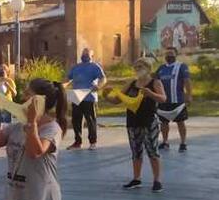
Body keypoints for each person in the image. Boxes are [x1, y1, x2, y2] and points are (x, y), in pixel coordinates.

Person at [103, 58, 167, 192]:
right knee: (136, 150)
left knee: (152, 150)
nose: (137, 68)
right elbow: (117, 100)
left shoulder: (155, 82)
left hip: (149, 120)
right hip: (133, 121)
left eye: (140, 66)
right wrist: (106, 96)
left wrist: (151, 94)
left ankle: (157, 180)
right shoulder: (131, 83)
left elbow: (163, 98)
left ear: (148, 68)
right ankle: (136, 178)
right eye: (136, 66)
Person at [65, 48, 106, 150]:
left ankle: (93, 142)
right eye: (83, 54)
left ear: (92, 56)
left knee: (90, 120)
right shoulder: (76, 67)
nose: (84, 56)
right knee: (76, 120)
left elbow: (103, 78)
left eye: (87, 54)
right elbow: (68, 79)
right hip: (76, 95)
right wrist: (62, 86)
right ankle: (77, 142)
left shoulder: (95, 67)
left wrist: (99, 86)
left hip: (89, 96)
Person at [156, 46, 192, 152]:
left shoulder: (182, 66)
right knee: (163, 123)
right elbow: (155, 82)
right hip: (164, 101)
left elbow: (187, 81)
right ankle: (165, 142)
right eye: (167, 53)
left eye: (171, 53)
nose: (169, 55)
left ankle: (183, 143)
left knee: (180, 122)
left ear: (176, 54)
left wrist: (189, 95)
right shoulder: (161, 68)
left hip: (178, 101)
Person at [0, 64, 17, 132]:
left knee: (7, 125)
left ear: (6, 70)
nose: (1, 71)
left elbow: (14, 94)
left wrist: (8, 86)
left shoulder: (10, 81)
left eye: (3, 69)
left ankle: (7, 140)